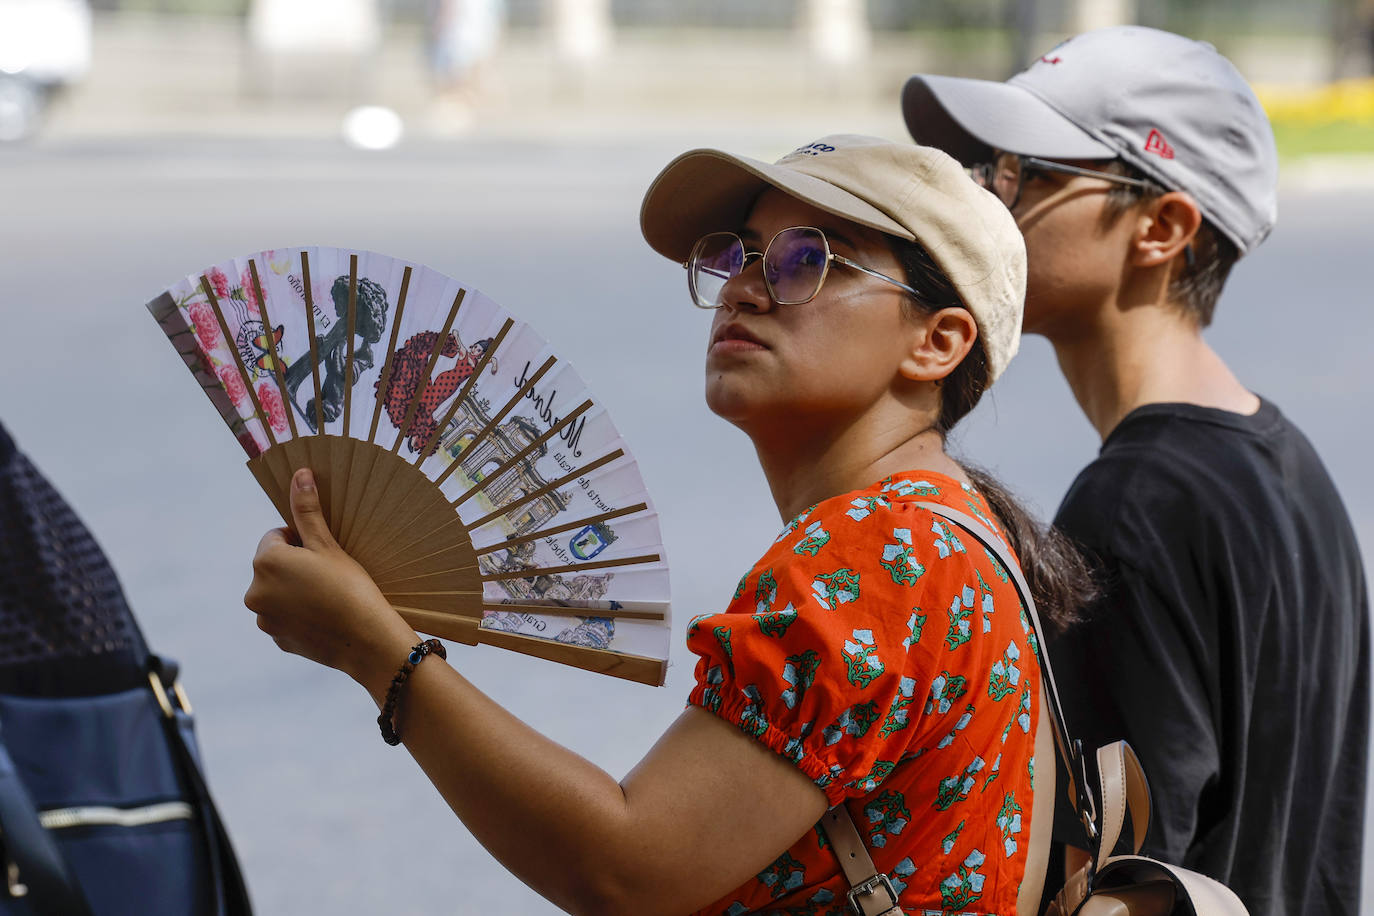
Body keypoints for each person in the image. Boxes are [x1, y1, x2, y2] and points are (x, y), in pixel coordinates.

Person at [243, 134, 1094, 914]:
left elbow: (624, 869)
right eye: (741, 255)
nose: (746, 289)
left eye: (809, 260)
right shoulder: (953, 528)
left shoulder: (873, 554)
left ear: (937, 343)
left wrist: (377, 651)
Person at [902, 25, 1369, 916]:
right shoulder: (1289, 465)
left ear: (1160, 227)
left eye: (1025, 176)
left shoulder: (1133, 507)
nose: (988, 206)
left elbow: (1125, 887)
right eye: (988, 169)